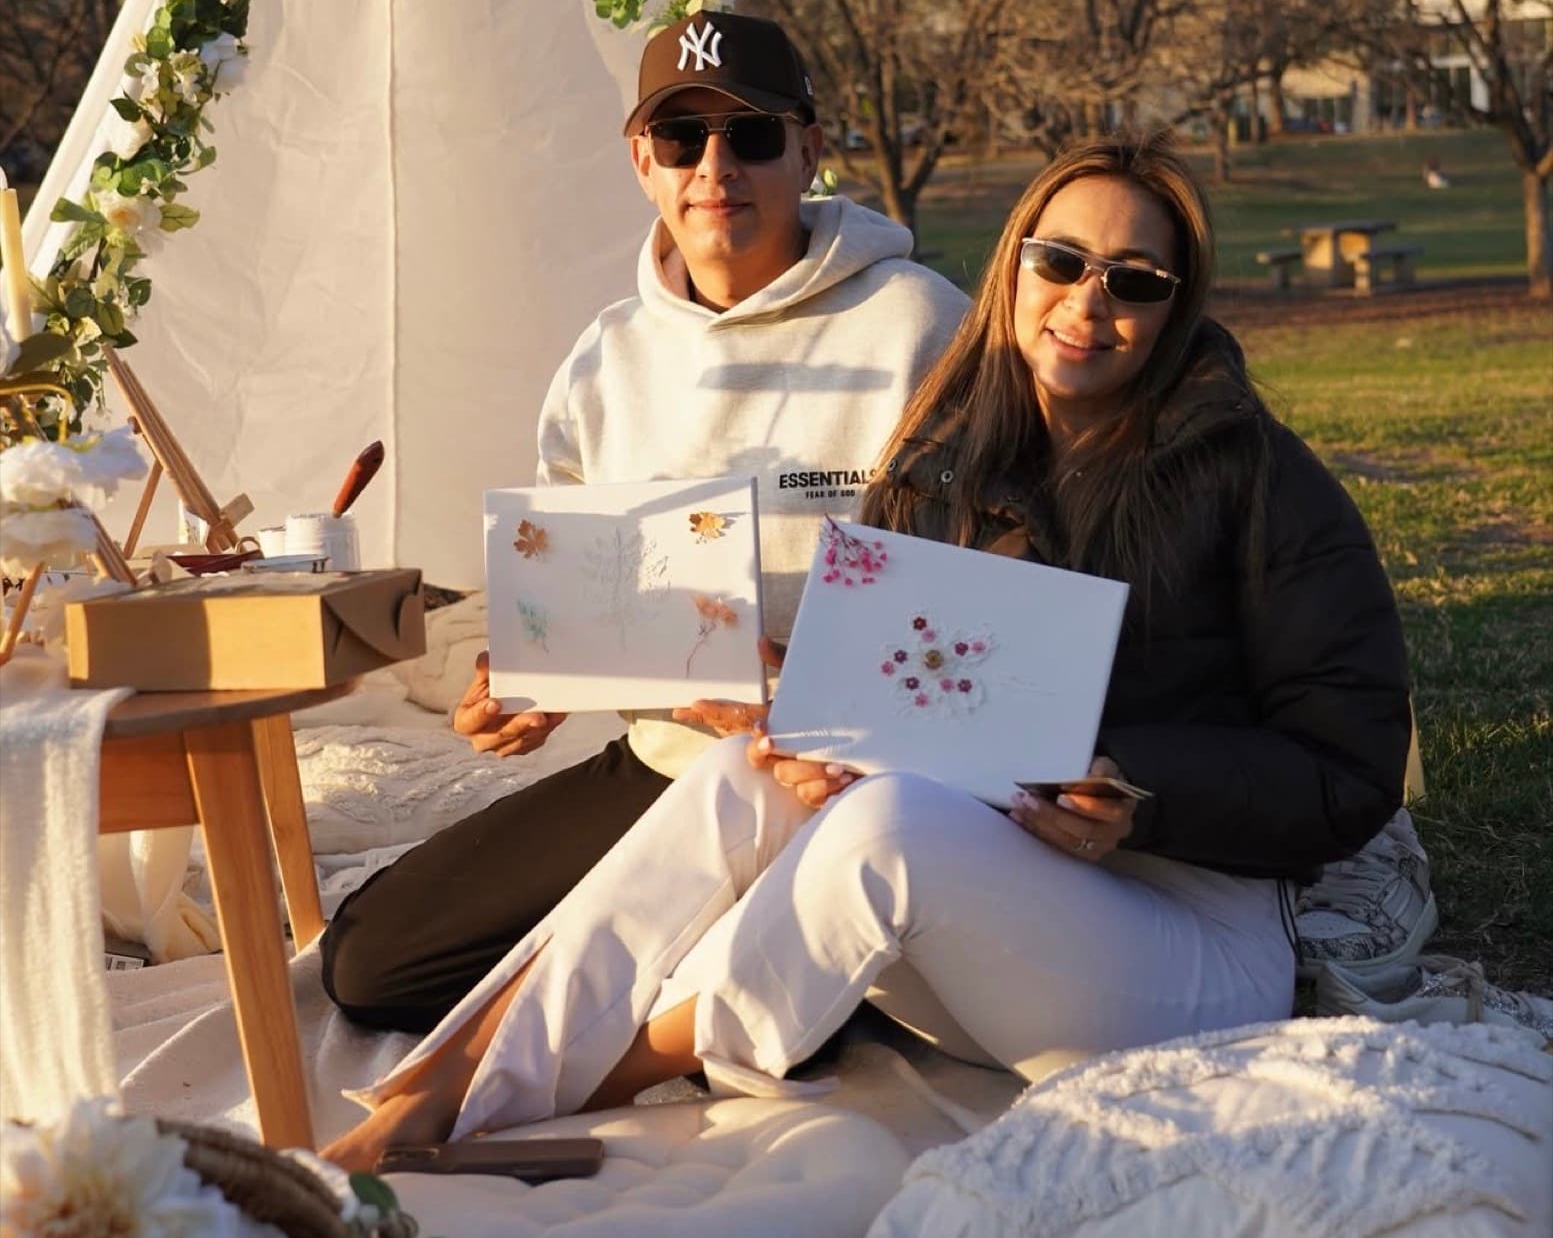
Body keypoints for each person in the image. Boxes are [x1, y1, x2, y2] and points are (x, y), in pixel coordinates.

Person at [324, 132, 1411, 1167]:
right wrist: (815, 738)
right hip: (981, 932)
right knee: (743, 781)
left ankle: (501, 1106)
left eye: (1133, 282)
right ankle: (448, 1075)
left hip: (1180, 944)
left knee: (883, 828)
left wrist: (1142, 786)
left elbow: (1348, 764)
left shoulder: (1256, 481)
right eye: (1060, 262)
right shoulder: (945, 454)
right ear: (1013, 267)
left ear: (1174, 310)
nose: (1086, 303)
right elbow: (912, 722)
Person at [320, 10, 968, 1030]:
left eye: (750, 134)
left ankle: (738, 985)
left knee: (868, 960)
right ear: (641, 163)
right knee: (367, 964)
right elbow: (570, 600)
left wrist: (803, 686)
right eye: (680, 139)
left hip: (852, 783)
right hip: (665, 763)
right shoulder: (603, 361)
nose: (716, 166)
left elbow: (984, 605)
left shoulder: (922, 328)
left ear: (806, 146)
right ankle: (732, 987)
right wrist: (528, 687)